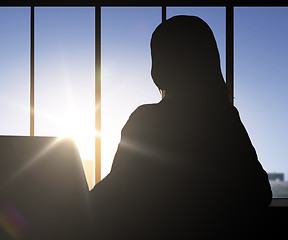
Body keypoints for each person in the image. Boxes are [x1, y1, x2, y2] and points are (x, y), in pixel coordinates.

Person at [90, 15, 272, 239]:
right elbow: (260, 193)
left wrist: (76, 202)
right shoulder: (225, 119)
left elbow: (116, 191)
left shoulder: (147, 120)